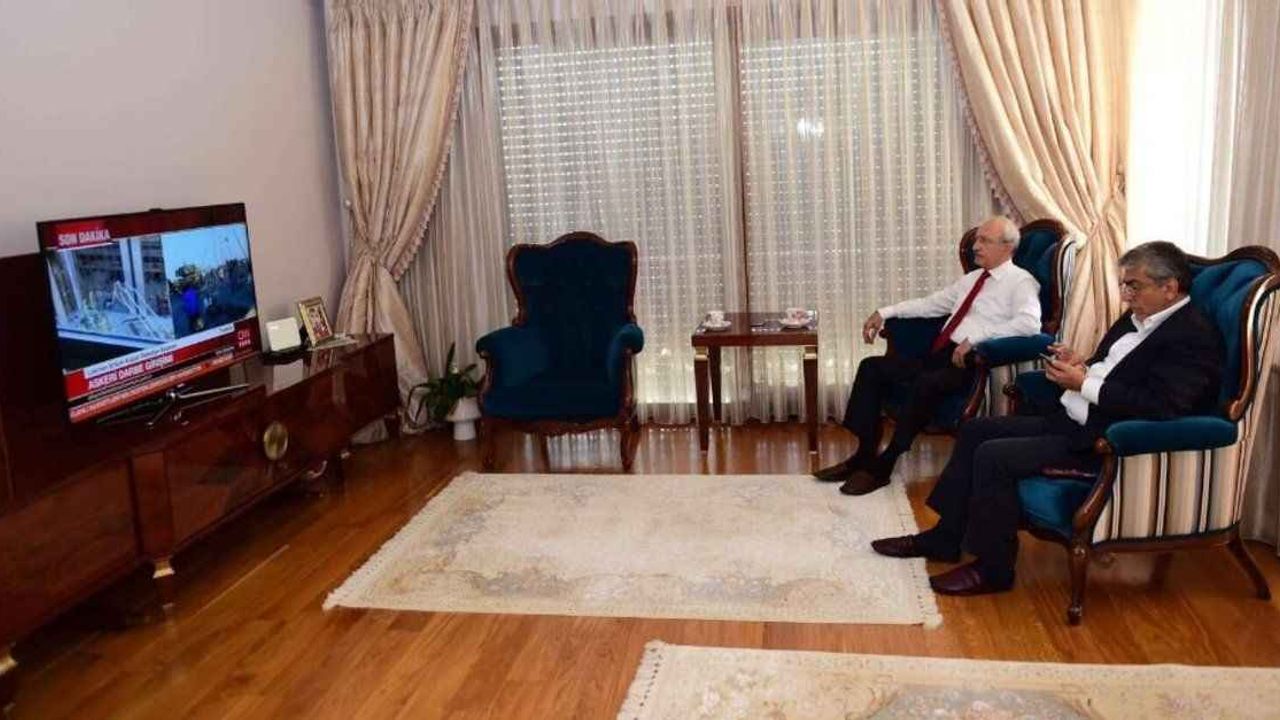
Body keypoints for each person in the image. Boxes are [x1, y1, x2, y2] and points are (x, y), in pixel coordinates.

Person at [870, 241, 1223, 596]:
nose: (1126, 294)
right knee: (976, 430)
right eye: (1124, 284)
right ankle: (944, 539)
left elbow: (1162, 405)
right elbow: (1115, 369)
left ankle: (993, 570)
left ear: (1170, 287)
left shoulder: (1191, 337)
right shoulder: (1137, 317)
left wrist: (1083, 383)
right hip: (1072, 419)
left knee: (994, 456)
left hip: (1104, 439)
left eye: (1134, 286)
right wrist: (1081, 363)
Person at [814, 216, 1042, 496]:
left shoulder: (1021, 282)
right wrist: (884, 312)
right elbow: (931, 304)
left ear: (1007, 247)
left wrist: (977, 339)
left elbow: (1030, 324)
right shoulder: (972, 279)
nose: (975, 246)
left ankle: (885, 464)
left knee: (926, 383)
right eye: (976, 240)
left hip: (971, 363)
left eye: (984, 240)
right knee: (872, 367)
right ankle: (864, 454)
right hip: (939, 354)